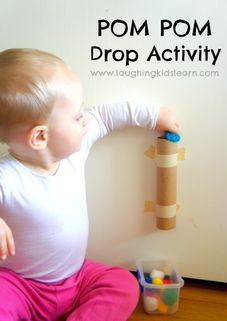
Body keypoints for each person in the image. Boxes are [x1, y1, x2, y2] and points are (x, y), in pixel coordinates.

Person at [0, 48, 179, 321]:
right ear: (40, 137)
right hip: (20, 287)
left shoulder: (73, 151)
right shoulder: (8, 176)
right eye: (76, 116)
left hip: (77, 277)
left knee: (124, 284)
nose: (86, 119)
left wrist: (153, 115)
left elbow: (105, 117)